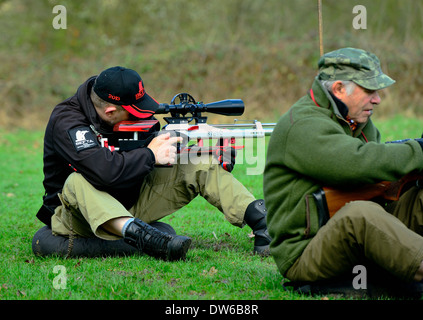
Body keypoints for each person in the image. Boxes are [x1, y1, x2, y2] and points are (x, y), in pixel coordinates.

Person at [33, 66, 271, 260]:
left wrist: (194, 150)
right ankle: (149, 239)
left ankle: (264, 223)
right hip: (75, 215)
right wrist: (149, 154)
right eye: (133, 112)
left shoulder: (121, 116)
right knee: (76, 181)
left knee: (200, 161)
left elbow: (142, 155)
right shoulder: (67, 120)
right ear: (110, 111)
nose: (142, 116)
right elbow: (103, 171)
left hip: (129, 202)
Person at [263, 47, 423, 291]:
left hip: (357, 237)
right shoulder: (303, 125)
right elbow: (357, 163)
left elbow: (376, 179)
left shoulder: (355, 120)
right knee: (360, 215)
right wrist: (419, 151)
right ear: (338, 89)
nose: (378, 99)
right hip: (306, 252)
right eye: (369, 90)